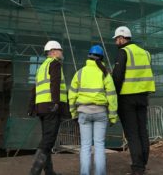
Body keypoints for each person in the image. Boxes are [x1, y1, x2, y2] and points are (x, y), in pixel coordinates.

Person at [112, 26, 156, 175]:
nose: (116, 42)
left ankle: (137, 168)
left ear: (122, 38)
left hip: (127, 98)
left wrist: (114, 95)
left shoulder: (123, 52)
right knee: (142, 131)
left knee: (132, 133)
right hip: (142, 97)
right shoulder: (145, 53)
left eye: (117, 39)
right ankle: (142, 163)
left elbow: (117, 77)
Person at [68, 45, 118, 175]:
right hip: (100, 113)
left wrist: (73, 113)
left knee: (85, 146)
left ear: (88, 56)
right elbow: (112, 97)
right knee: (99, 145)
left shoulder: (79, 73)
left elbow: (72, 96)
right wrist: (113, 117)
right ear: (102, 58)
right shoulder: (105, 74)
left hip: (84, 113)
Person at [28, 40, 68, 175]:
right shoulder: (55, 63)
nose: (62, 53)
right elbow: (55, 83)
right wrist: (56, 102)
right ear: (53, 52)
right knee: (48, 141)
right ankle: (34, 172)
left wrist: (32, 106)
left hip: (42, 107)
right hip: (52, 107)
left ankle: (49, 172)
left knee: (46, 138)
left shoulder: (42, 67)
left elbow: (35, 88)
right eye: (60, 50)